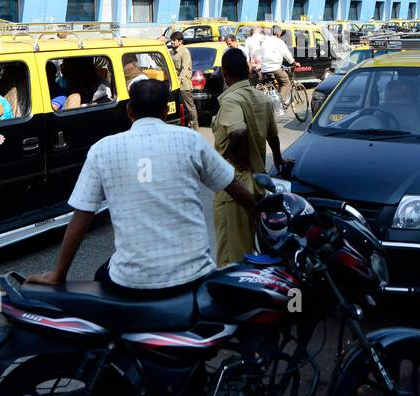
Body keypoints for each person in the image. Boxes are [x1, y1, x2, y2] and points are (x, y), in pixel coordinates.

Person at [26, 79, 257, 290]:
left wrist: (58, 275)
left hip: (131, 280)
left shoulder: (103, 149)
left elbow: (82, 215)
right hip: (194, 274)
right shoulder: (191, 140)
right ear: (166, 112)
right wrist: (264, 211)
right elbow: (234, 186)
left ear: (129, 111)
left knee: (101, 278)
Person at [212, 48, 284, 265]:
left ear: (225, 73)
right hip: (257, 186)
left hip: (234, 188)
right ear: (246, 69)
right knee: (252, 249)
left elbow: (238, 131)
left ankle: (234, 298)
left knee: (232, 258)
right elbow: (273, 136)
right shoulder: (262, 98)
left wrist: (235, 154)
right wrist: (279, 160)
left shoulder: (231, 100)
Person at [168, 32, 198, 128]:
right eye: (171, 40)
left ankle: (194, 126)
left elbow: (185, 68)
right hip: (174, 83)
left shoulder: (184, 52)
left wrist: (178, 80)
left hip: (183, 83)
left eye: (174, 40)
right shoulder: (171, 51)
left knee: (189, 107)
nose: (172, 42)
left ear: (180, 41)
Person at [258, 26, 295, 97]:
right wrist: (293, 62)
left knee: (272, 84)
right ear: (277, 33)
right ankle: (280, 103)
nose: (280, 36)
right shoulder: (279, 42)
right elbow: (287, 54)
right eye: (280, 34)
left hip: (264, 69)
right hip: (275, 68)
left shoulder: (264, 42)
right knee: (285, 83)